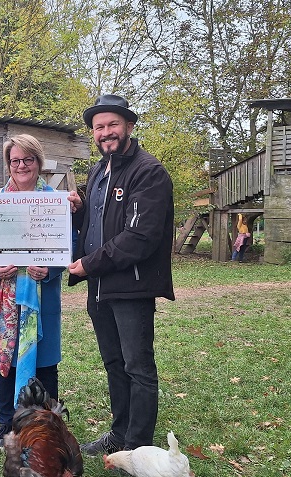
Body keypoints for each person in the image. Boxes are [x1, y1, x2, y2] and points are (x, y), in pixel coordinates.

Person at [67, 94, 175, 455]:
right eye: (99, 127)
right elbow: (98, 225)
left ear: (129, 126)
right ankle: (119, 433)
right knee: (114, 363)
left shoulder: (148, 172)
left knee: (138, 366)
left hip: (131, 286)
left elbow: (140, 238)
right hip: (99, 286)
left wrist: (89, 264)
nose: (106, 132)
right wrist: (79, 211)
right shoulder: (99, 171)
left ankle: (139, 445)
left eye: (113, 124)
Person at [0, 134, 65, 450]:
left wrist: (49, 270)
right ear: (8, 164)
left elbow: (65, 248)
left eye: (27, 160)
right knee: (5, 362)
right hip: (6, 298)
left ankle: (46, 426)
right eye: (14, 160)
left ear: (38, 163)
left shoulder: (55, 201)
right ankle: (7, 425)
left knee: (44, 362)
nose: (21, 166)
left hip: (41, 298)